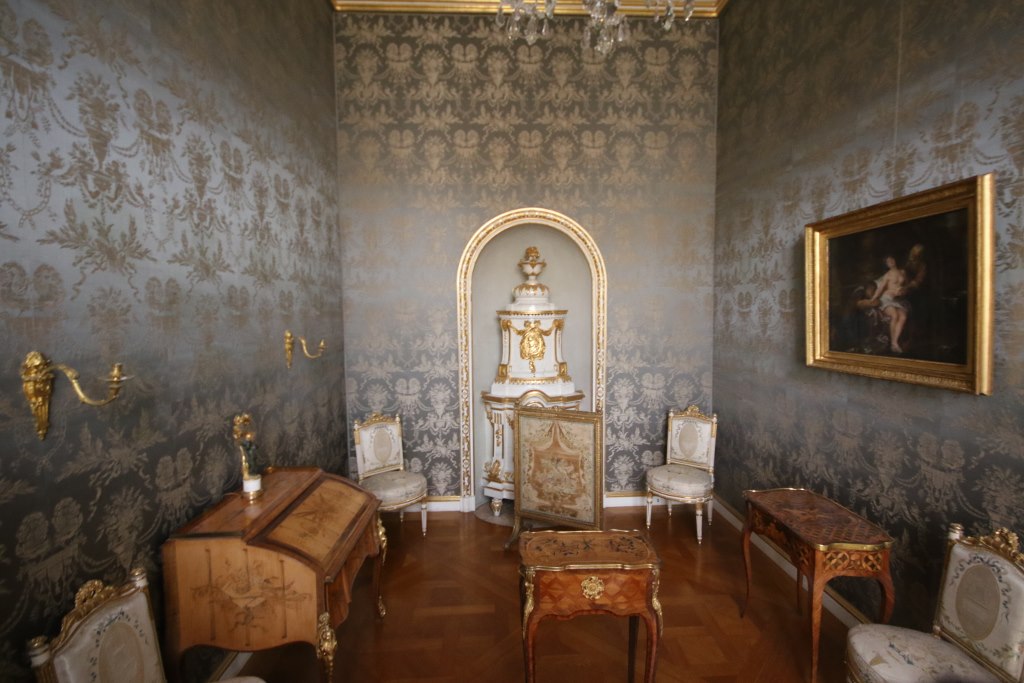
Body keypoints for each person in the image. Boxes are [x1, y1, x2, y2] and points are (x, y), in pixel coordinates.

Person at [867, 255, 910, 353]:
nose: (891, 262)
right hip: (887, 299)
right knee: (894, 315)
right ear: (887, 265)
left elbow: (907, 286)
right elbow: (880, 289)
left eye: (892, 260)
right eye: (888, 261)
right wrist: (873, 298)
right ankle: (894, 344)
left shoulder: (902, 272)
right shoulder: (887, 275)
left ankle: (894, 342)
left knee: (903, 317)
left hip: (898, 300)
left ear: (894, 260)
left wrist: (903, 290)